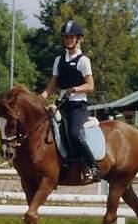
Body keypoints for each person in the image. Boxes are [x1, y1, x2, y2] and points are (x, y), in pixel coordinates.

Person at [40, 20, 101, 182]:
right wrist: (40, 98)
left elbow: (90, 85)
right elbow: (52, 86)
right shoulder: (59, 60)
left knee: (73, 134)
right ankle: (62, 164)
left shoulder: (83, 61)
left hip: (78, 106)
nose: (68, 40)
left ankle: (93, 167)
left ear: (78, 39)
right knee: (49, 131)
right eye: (66, 37)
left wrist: (75, 89)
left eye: (71, 37)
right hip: (63, 104)